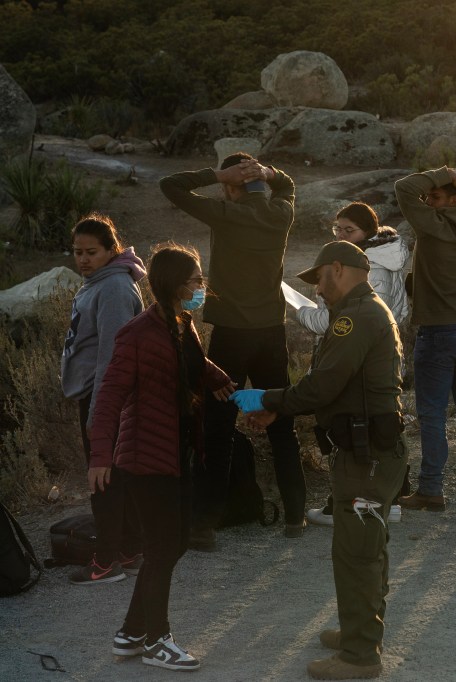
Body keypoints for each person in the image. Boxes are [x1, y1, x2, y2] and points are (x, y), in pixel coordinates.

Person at [230, 241, 405, 680]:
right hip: (368, 454)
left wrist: (265, 398)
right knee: (368, 549)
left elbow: (322, 386)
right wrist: (280, 407)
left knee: (357, 555)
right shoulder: (363, 313)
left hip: (365, 458)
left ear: (338, 270)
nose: (319, 290)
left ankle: (360, 655)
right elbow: (325, 385)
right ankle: (359, 631)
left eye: (320, 279)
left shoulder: (357, 318)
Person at [88, 243, 234, 671]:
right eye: (194, 281)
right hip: (144, 459)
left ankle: (132, 632)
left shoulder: (181, 323)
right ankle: (156, 639)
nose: (200, 288)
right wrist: (100, 456)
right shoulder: (136, 333)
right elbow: (109, 396)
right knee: (164, 546)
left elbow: (189, 361)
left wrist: (216, 376)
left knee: (171, 545)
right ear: (173, 285)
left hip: (176, 453)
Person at [160, 152, 305, 547]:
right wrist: (270, 172)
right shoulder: (281, 214)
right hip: (272, 333)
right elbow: (288, 186)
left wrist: (215, 172)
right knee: (282, 424)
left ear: (228, 185)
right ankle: (295, 517)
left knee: (218, 428)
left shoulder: (225, 213)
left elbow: (170, 186)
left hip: (232, 336)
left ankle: (204, 525)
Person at [393, 166, 456, 511]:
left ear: (453, 200)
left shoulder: (433, 225)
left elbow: (404, 187)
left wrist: (444, 172)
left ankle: (431, 489)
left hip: (439, 331)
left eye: (435, 196)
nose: (427, 200)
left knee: (433, 412)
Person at [302, 201, 411, 526]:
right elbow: (401, 311)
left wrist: (301, 312)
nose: (342, 235)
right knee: (382, 426)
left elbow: (340, 320)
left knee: (348, 431)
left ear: (369, 231)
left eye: (349, 230)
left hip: (359, 359)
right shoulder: (384, 259)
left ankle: (345, 506)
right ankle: (387, 500)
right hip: (381, 357)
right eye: (338, 229)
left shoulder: (368, 267)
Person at [60, 214, 147, 585]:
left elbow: (113, 356)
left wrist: (99, 412)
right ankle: (127, 548)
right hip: (98, 394)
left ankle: (107, 561)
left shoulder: (113, 289)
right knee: (114, 477)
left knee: (103, 478)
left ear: (112, 250)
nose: (82, 259)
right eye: (77, 252)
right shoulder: (99, 282)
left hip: (106, 397)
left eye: (91, 252)